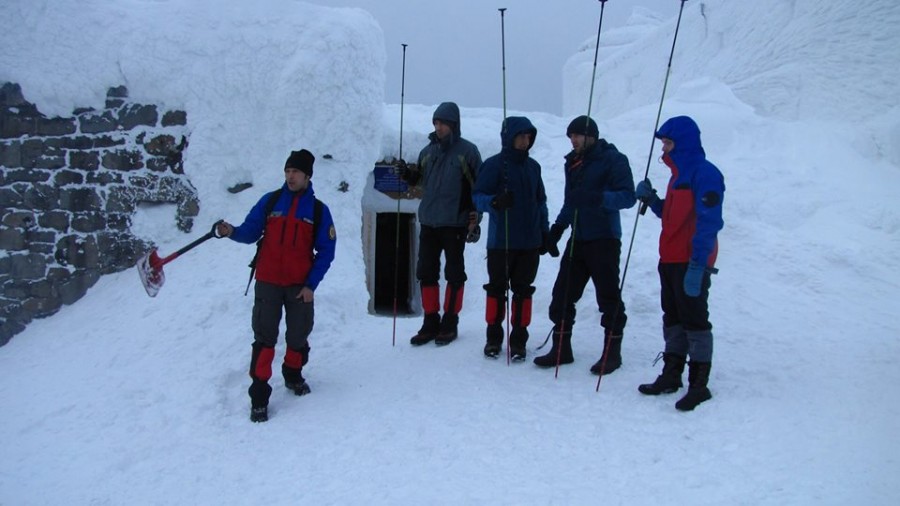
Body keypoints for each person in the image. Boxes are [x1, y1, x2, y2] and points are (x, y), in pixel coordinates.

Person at [216, 149, 336, 423]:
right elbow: (249, 232)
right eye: (287, 171)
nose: (290, 176)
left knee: (297, 336)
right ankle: (259, 396)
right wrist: (231, 231)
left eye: (295, 172)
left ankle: (293, 375)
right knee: (264, 339)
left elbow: (326, 251)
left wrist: (311, 285)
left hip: (299, 286)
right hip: (268, 283)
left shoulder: (318, 211)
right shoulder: (270, 202)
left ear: (307, 176)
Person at [635, 115, 724, 411]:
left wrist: (699, 263)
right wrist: (653, 200)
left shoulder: (705, 174)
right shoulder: (677, 177)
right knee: (672, 317)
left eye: (669, 143)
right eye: (663, 143)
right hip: (669, 259)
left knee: (695, 319)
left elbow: (709, 221)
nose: (665, 149)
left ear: (683, 143)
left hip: (691, 262)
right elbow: (673, 218)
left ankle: (699, 385)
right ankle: (671, 374)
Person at [534, 115, 636, 374]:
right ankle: (561, 349)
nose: (573, 140)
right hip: (578, 237)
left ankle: (612, 354)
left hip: (605, 237)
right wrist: (557, 229)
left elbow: (627, 196)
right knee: (562, 295)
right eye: (570, 136)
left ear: (591, 136)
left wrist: (597, 198)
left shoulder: (614, 159)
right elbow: (572, 201)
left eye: (577, 135)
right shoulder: (573, 163)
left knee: (608, 297)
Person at [399, 102, 483, 346]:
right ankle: (430, 321)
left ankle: (450, 321)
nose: (439, 127)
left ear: (454, 125)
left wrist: (476, 218)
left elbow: (479, 188)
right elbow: (420, 180)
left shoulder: (467, 152)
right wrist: (407, 174)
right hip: (429, 222)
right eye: (436, 123)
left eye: (443, 123)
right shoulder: (427, 152)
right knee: (426, 271)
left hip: (455, 223)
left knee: (454, 273)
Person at [473, 116, 555, 361]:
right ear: (508, 137)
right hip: (501, 242)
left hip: (529, 243)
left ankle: (519, 341)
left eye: (528, 136)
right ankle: (493, 339)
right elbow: (477, 197)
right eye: (520, 136)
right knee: (496, 291)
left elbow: (540, 202)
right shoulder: (494, 165)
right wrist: (495, 202)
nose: (525, 141)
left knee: (523, 292)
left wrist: (544, 232)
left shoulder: (534, 167)